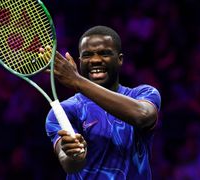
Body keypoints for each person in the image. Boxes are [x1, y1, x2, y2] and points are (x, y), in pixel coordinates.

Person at [45, 25, 161, 179]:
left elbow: (142, 115)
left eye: (104, 54)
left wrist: (77, 81)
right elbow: (69, 165)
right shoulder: (66, 110)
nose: (95, 60)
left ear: (120, 60)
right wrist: (74, 155)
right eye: (87, 55)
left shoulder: (143, 94)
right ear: (79, 61)